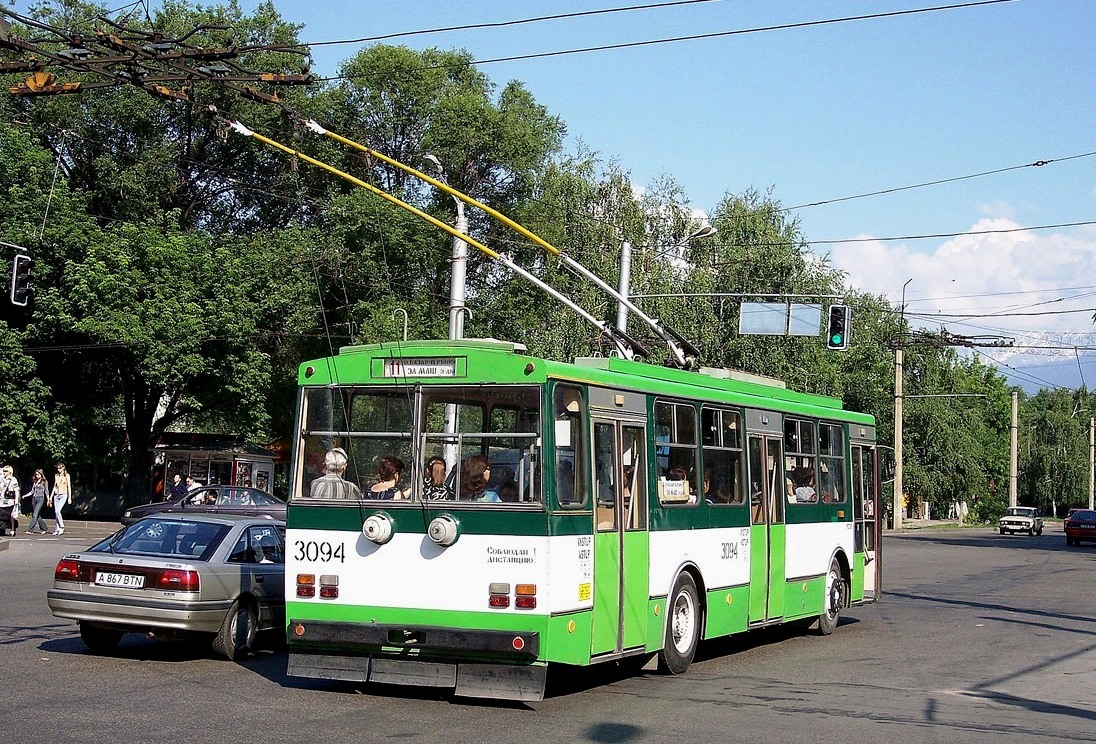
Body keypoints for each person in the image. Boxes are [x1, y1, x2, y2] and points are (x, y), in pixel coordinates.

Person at [49, 462, 71, 535]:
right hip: (56, 495)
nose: (59, 470)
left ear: (63, 468)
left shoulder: (67, 476)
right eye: (58, 468)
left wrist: (69, 497)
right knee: (56, 512)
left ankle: (61, 526)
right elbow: (55, 486)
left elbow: (69, 487)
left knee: (58, 511)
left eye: (60, 468)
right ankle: (57, 528)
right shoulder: (56, 476)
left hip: (63, 494)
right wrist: (50, 497)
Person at [26, 468, 49, 534]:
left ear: (41, 475)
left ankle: (30, 530)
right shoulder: (35, 481)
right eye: (36, 474)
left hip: (40, 499)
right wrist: (26, 495)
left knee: (35, 515)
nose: (37, 476)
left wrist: (48, 499)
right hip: (34, 498)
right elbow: (32, 491)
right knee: (37, 515)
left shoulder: (44, 482)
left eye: (38, 474)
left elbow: (46, 491)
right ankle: (44, 528)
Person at [0, 465, 20, 534]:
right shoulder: (2, 479)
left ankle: (12, 529)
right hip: (1, 500)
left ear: (10, 472)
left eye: (6, 471)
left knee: (10, 516)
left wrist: (17, 500)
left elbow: (16, 490)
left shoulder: (13, 479)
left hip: (9, 501)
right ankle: (2, 529)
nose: (4, 472)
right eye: (3, 471)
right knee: (1, 516)